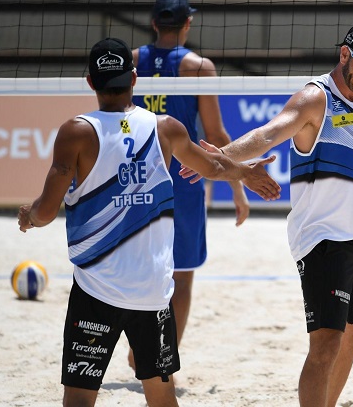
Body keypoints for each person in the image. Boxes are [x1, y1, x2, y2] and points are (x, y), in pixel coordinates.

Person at [17, 37, 280, 407]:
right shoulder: (167, 128)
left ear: (90, 81)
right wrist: (245, 174)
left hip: (96, 291)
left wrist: (29, 215)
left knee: (78, 397)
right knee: (161, 396)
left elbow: (46, 212)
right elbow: (215, 165)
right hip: (152, 292)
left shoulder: (75, 132)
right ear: (135, 79)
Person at [183, 22, 353, 407]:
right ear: (344, 55)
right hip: (321, 239)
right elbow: (267, 134)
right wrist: (218, 158)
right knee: (325, 344)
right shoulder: (314, 98)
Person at [129, 0, 251, 369]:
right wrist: (237, 187)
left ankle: (137, 349)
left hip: (134, 179)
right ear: (187, 24)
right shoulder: (200, 67)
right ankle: (160, 359)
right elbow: (216, 135)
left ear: (153, 24)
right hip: (182, 181)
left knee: (134, 273)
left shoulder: (131, 61)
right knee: (180, 279)